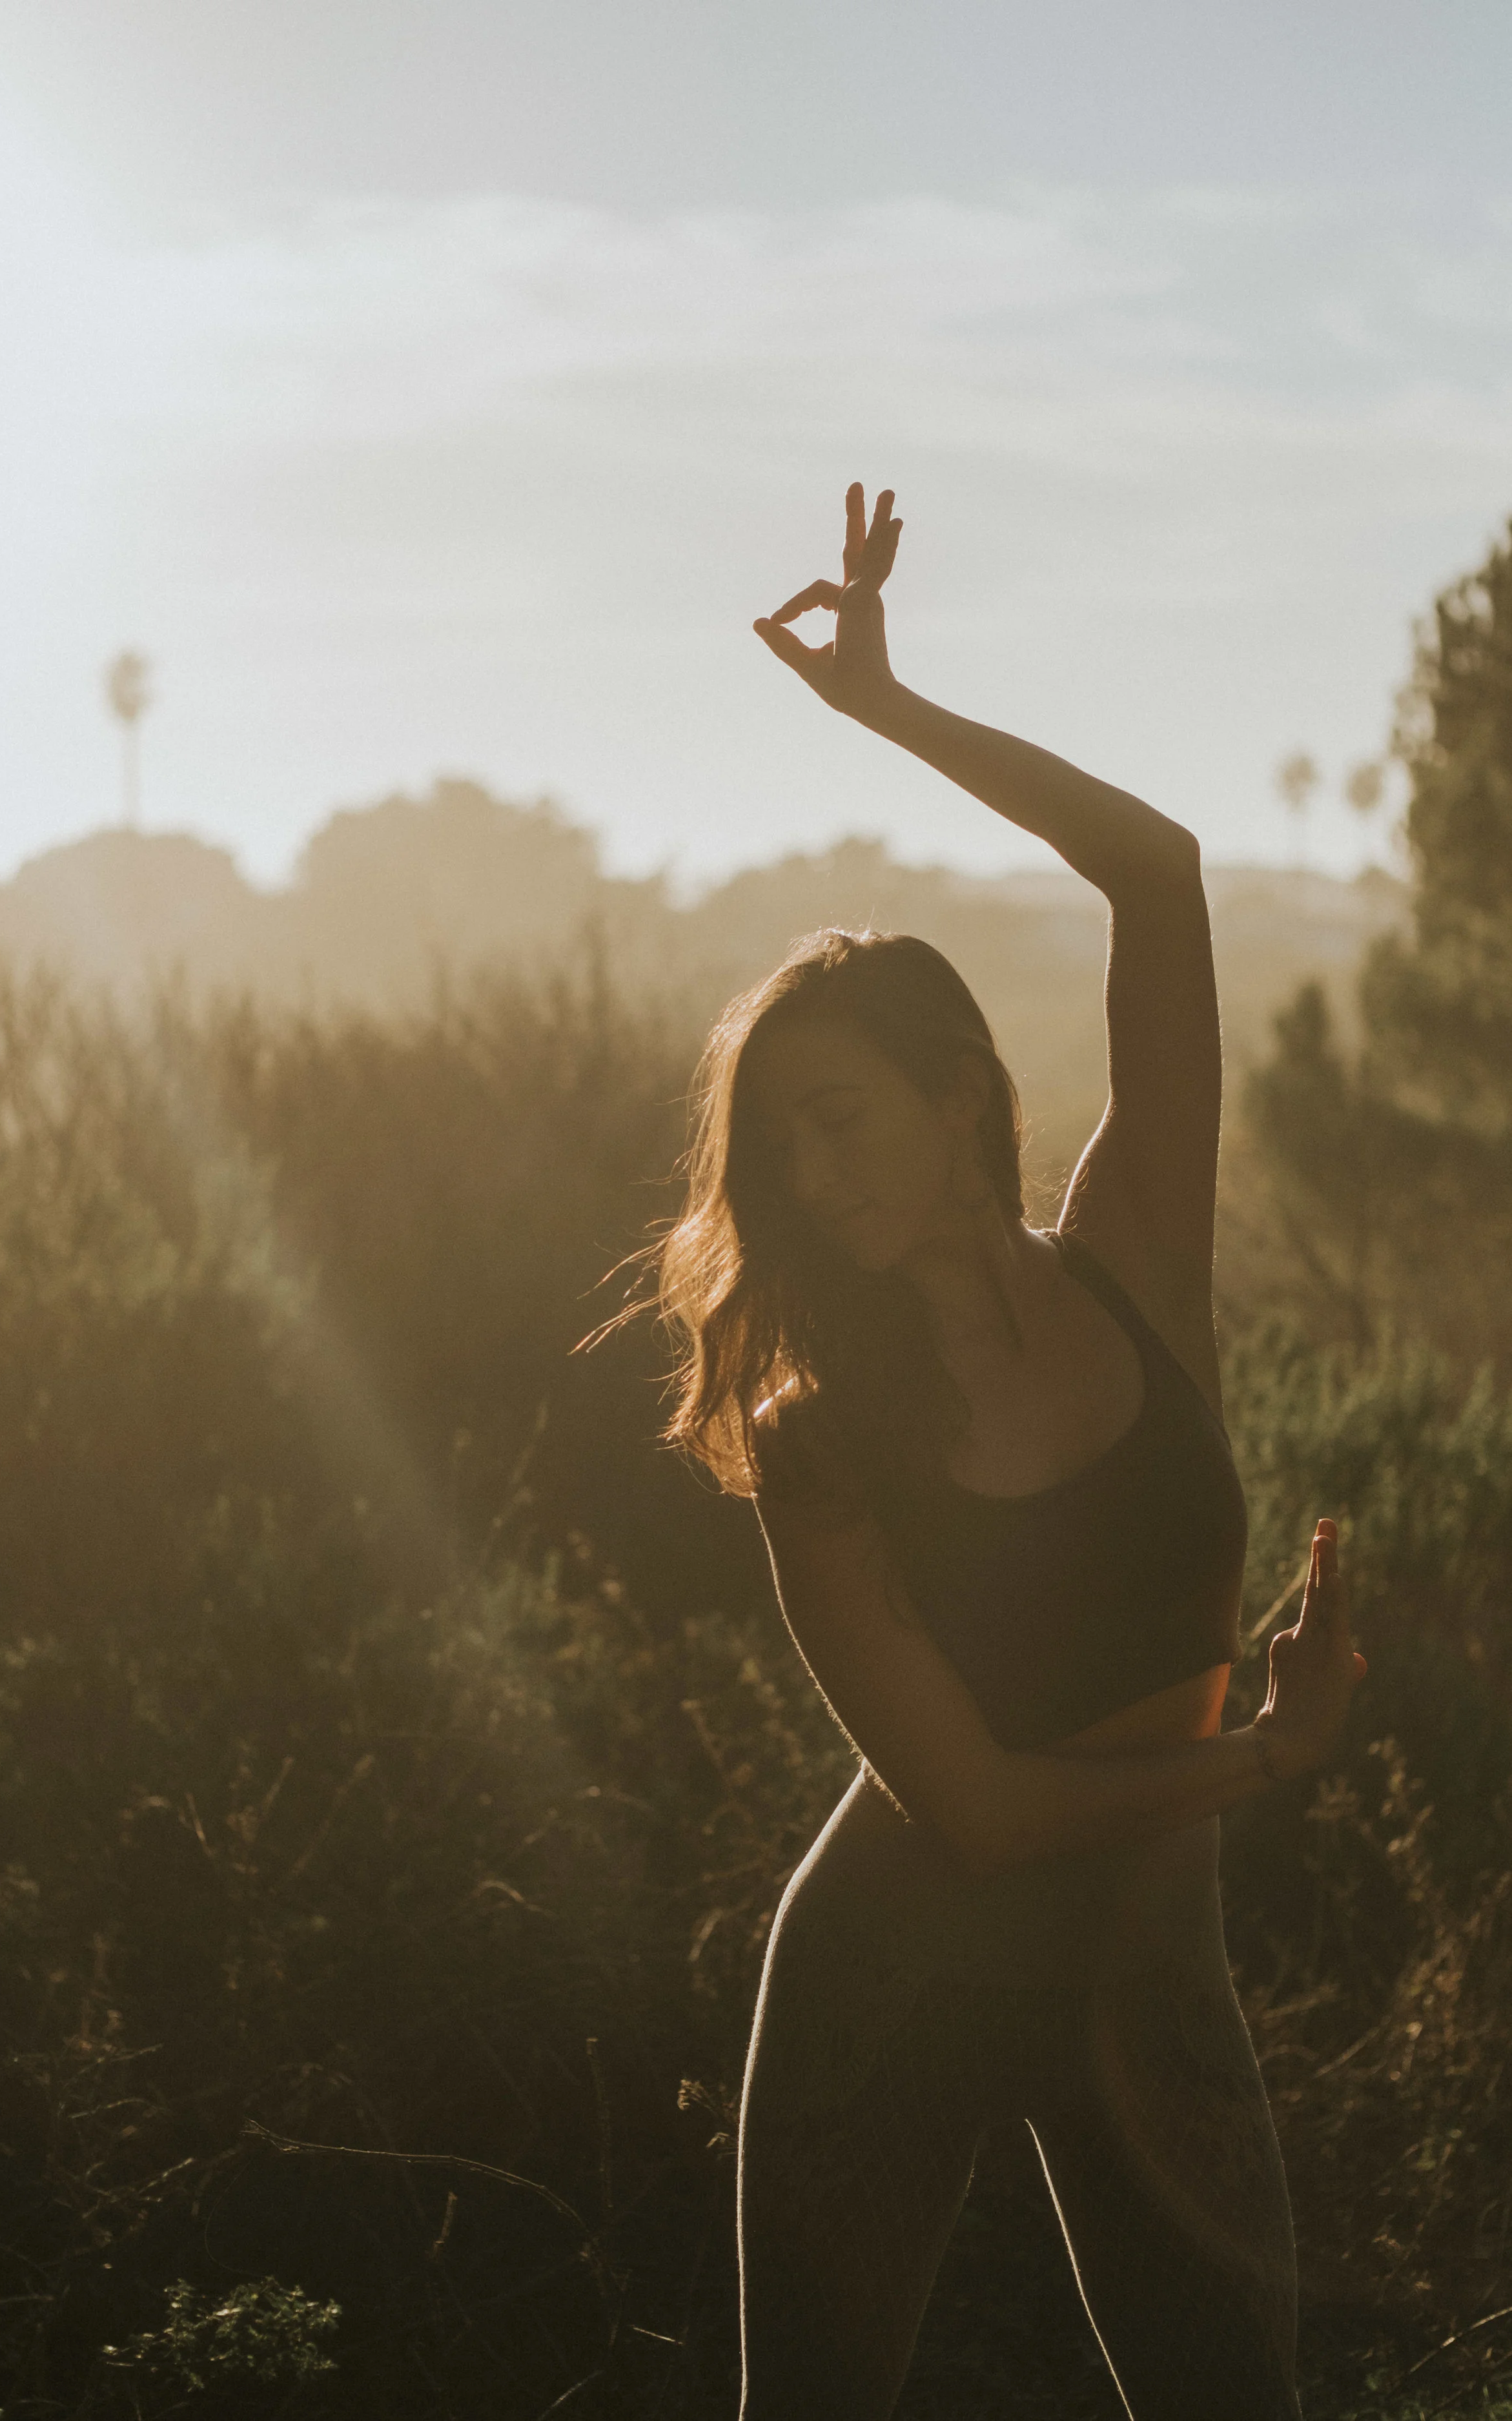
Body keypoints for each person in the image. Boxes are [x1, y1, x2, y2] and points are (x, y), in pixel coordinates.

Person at [656, 487, 1367, 2420]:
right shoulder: (818, 1446)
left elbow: (1157, 871)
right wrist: (1258, 1758)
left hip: (1149, 1960)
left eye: (838, 1116)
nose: (807, 1175)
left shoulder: (1136, 1256)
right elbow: (969, 1811)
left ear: (961, 1087)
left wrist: (880, 706)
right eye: (775, 1148)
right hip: (891, 1982)